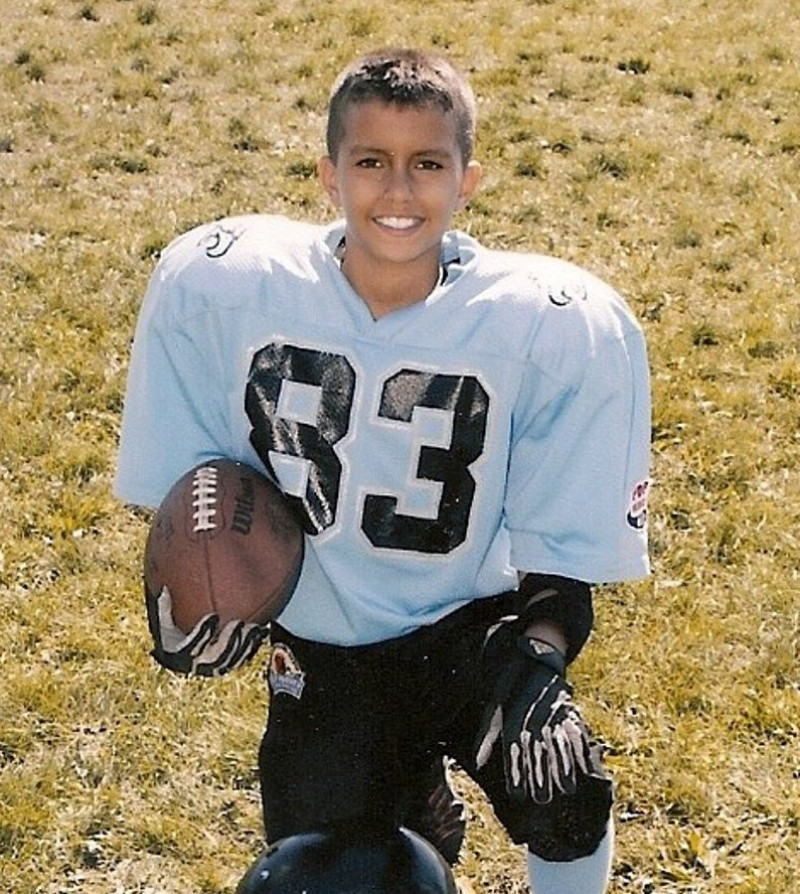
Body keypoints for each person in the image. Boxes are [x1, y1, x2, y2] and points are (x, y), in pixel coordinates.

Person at [114, 47, 651, 894]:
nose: (398, 193)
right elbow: (199, 495)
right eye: (371, 163)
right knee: (321, 871)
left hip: (468, 627)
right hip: (326, 640)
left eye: (427, 165)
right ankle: (409, 796)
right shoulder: (225, 286)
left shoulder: (550, 326)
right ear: (329, 175)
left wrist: (540, 661)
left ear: (467, 180)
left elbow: (561, 557)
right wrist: (201, 593)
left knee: (561, 780)